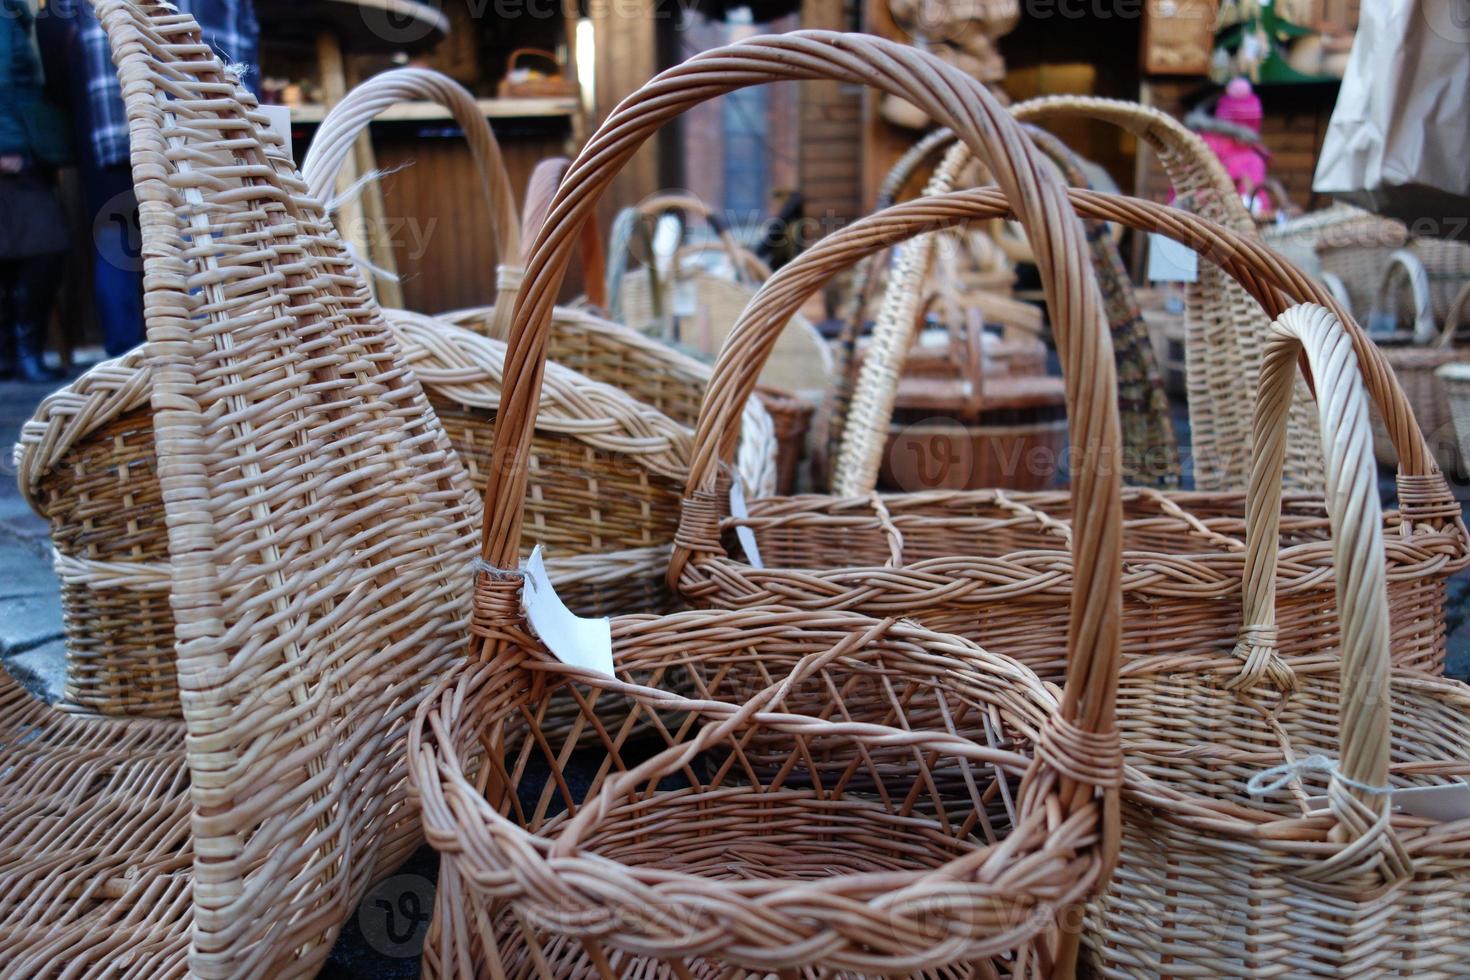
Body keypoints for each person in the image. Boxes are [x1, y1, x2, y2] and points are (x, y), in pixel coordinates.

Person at [38, 0, 258, 357]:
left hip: (116, 134)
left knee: (118, 246)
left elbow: (54, 47)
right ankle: (209, 354)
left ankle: (129, 365)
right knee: (204, 243)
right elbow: (247, 50)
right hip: (203, 135)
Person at [0, 0, 70, 382]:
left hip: (26, 146)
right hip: (12, 150)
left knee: (41, 248)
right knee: (45, 244)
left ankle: (19, 351)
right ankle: (19, 352)